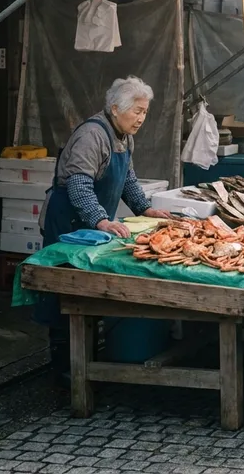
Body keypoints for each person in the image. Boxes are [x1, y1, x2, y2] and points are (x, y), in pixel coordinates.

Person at [37, 76, 171, 371]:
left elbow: (128, 181)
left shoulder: (124, 137)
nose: (142, 118)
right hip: (68, 223)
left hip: (92, 227)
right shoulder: (92, 136)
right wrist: (101, 220)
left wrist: (146, 209)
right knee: (64, 293)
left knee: (87, 291)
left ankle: (87, 361)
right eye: (137, 111)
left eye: (145, 112)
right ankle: (64, 368)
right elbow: (79, 185)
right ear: (115, 108)